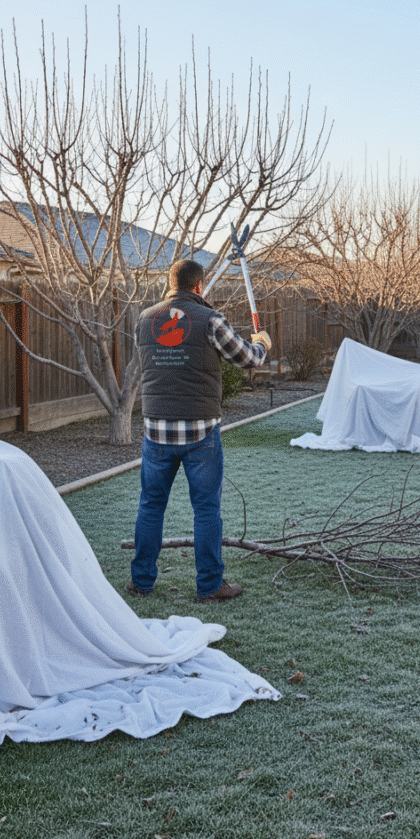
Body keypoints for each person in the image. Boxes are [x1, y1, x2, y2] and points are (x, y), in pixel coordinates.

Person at [126, 258, 272, 603]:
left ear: (170, 283)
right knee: (206, 509)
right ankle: (209, 587)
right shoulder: (211, 320)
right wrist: (263, 343)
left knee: (150, 506)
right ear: (199, 286)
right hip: (200, 432)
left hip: (156, 433)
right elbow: (249, 359)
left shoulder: (144, 321)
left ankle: (140, 582)